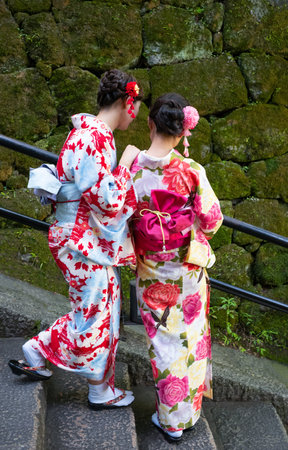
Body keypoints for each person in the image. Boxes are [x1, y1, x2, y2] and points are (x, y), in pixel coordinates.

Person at [8, 69, 142, 409]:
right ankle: (96, 387)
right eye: (136, 105)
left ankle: (41, 352)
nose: (137, 113)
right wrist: (126, 167)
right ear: (128, 102)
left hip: (81, 238)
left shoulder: (90, 135)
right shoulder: (92, 137)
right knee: (97, 312)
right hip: (80, 239)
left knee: (100, 307)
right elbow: (106, 200)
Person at [130, 93, 223, 441]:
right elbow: (212, 221)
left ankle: (169, 416)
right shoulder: (191, 171)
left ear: (150, 124)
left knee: (164, 343)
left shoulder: (131, 169)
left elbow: (120, 215)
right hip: (187, 272)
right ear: (183, 130)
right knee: (190, 339)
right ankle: (182, 416)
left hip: (151, 270)